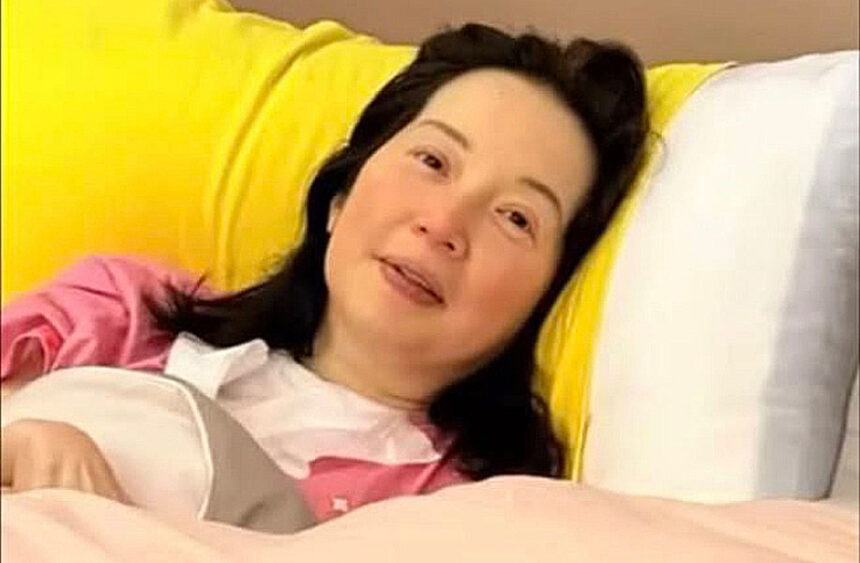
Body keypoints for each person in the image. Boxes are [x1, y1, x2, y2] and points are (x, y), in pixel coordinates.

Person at [0, 23, 648, 522]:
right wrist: (23, 445)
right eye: (432, 161)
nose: (444, 224)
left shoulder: (467, 515)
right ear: (340, 193)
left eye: (515, 217)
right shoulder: (118, 310)